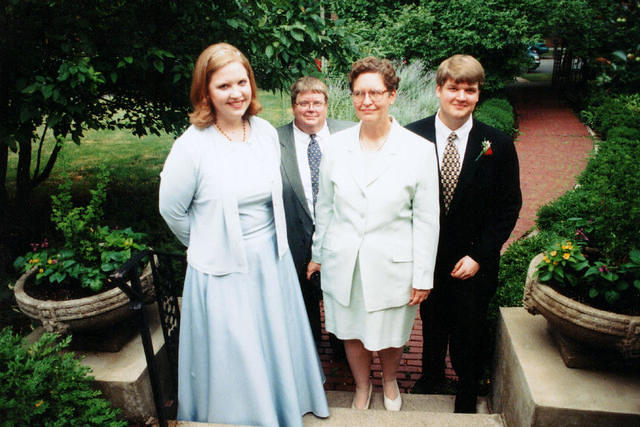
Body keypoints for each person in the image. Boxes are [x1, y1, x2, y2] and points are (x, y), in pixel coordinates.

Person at [158, 42, 329, 426]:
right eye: (223, 86)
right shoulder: (192, 147)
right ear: (205, 92)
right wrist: (205, 242)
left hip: (272, 260)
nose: (236, 93)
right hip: (223, 269)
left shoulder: (265, 132)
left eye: (242, 82)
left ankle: (282, 403)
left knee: (272, 341)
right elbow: (170, 210)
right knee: (238, 352)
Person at [307, 57, 440, 411]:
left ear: (392, 95)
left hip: (394, 262)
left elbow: (428, 219)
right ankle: (363, 387)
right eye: (358, 93)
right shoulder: (335, 146)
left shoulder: (419, 150)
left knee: (392, 332)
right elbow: (325, 207)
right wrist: (318, 254)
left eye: (375, 93)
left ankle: (391, 380)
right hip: (344, 260)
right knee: (351, 329)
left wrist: (423, 275)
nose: (366, 101)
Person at [406, 54, 522, 413]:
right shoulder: (411, 136)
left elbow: (508, 207)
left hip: (473, 259)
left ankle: (468, 390)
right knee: (432, 321)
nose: (461, 96)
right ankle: (429, 376)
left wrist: (480, 256)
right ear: (439, 89)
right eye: (453, 88)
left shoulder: (497, 145)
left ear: (478, 94)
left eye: (469, 90)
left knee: (468, 328)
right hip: (427, 255)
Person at [277, 76, 354, 358]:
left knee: (341, 295)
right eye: (303, 103)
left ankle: (343, 349)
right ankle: (308, 354)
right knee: (303, 299)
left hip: (341, 233)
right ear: (293, 106)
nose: (311, 109)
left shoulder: (350, 134)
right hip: (294, 234)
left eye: (317, 103)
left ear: (326, 104)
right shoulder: (274, 140)